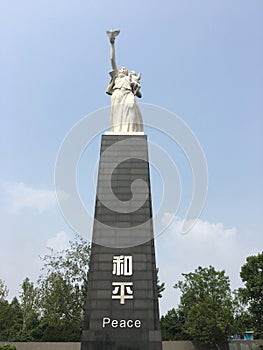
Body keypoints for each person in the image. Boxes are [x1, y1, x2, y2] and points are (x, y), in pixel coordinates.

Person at [106, 36, 143, 133]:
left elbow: (139, 95)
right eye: (121, 68)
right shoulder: (117, 75)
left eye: (124, 68)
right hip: (117, 93)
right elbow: (112, 59)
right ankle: (118, 131)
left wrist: (136, 87)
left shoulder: (130, 78)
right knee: (117, 114)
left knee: (131, 107)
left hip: (128, 94)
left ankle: (131, 130)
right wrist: (112, 44)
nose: (122, 68)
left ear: (127, 72)